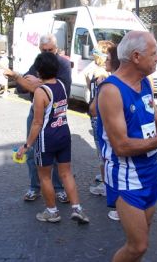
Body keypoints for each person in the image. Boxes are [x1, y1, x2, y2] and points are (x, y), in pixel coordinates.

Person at [96, 31, 157, 262]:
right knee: (138, 244)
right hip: (126, 176)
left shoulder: (146, 82)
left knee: (141, 245)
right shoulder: (111, 91)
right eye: (154, 53)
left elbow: (156, 122)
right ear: (136, 57)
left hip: (150, 172)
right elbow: (121, 146)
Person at [15, 52, 89, 223]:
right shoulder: (62, 86)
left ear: (39, 71)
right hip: (64, 134)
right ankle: (77, 208)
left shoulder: (41, 92)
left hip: (47, 139)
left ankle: (52, 211)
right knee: (66, 174)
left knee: (45, 176)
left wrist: (26, 146)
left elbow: (37, 122)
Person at [5, 34, 70, 203]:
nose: (47, 53)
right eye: (44, 50)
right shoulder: (38, 61)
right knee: (33, 151)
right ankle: (35, 187)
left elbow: (61, 88)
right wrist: (27, 80)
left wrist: (35, 82)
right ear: (40, 49)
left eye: (50, 50)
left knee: (55, 154)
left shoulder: (62, 63)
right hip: (36, 113)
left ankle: (58, 189)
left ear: (56, 49)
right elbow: (21, 88)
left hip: (54, 115)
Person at [89, 44, 122, 221]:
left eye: (108, 58)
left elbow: (93, 108)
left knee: (110, 161)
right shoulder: (139, 81)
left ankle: (118, 206)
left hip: (110, 135)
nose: (105, 60)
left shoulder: (109, 83)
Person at [85, 40, 113, 196]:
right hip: (101, 116)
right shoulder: (104, 71)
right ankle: (105, 178)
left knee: (102, 151)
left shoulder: (101, 73)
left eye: (96, 52)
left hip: (99, 117)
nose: (94, 54)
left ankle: (105, 185)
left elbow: (97, 97)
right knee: (104, 151)